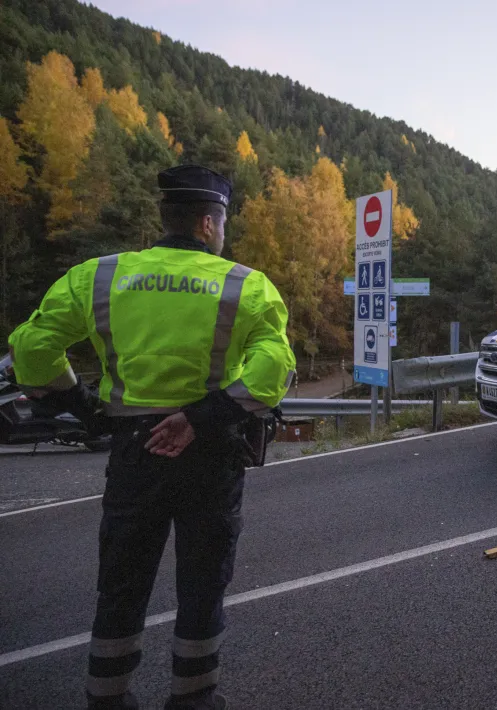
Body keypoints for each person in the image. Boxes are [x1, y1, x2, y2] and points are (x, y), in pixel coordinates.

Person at [6, 165, 296, 710]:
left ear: (167, 217)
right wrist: (201, 418)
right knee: (202, 584)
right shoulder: (245, 286)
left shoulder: (98, 277)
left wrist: (85, 408)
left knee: (121, 583)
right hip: (210, 455)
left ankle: (108, 697)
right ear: (210, 224)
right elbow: (272, 370)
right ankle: (194, 698)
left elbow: (31, 349)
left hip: (133, 451)